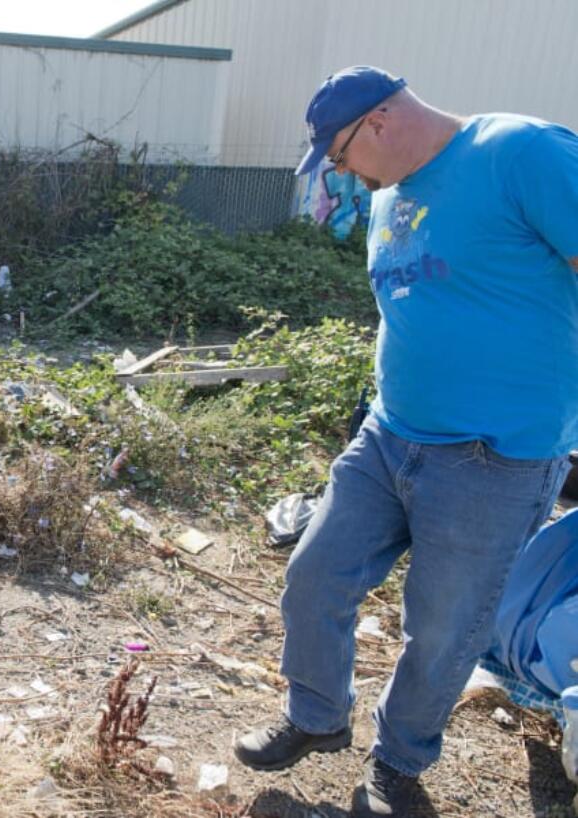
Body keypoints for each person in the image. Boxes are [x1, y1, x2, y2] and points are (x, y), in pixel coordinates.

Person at [233, 66, 578, 816]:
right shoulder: (391, 199)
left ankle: (398, 762)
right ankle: (318, 716)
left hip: (496, 457)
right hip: (389, 438)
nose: (341, 174)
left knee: (444, 629)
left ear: (379, 124)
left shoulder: (518, 152)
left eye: (340, 156)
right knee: (315, 574)